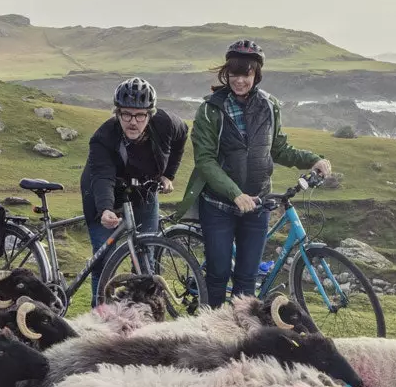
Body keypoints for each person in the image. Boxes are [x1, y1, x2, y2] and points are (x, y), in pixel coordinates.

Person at [176, 40, 331, 307]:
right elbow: (205, 161)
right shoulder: (210, 110)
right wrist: (234, 194)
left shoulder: (269, 106)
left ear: (256, 74)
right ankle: (212, 334)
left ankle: (240, 335)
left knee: (247, 278)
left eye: (245, 74)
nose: (239, 80)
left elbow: (279, 149)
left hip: (257, 205)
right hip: (218, 206)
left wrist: (313, 159)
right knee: (218, 275)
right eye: (234, 73)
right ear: (226, 74)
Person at [80, 77, 188, 305]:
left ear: (150, 114)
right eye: (126, 114)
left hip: (143, 191)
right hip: (105, 193)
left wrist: (169, 174)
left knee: (145, 253)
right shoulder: (103, 138)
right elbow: (102, 176)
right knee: (104, 257)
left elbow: (182, 136)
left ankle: (143, 312)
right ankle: (99, 314)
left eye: (140, 115)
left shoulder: (166, 123)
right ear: (117, 113)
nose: (133, 122)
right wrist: (106, 209)